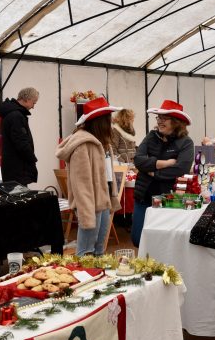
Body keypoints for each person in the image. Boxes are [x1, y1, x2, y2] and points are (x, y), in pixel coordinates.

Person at [56, 97, 123, 256]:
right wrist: (86, 211)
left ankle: (98, 277)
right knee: (86, 252)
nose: (111, 122)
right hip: (91, 204)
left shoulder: (102, 142)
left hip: (103, 199)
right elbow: (81, 183)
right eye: (108, 118)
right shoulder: (83, 145)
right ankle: (85, 277)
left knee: (99, 250)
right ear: (100, 121)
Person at [131, 100, 195, 245]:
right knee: (137, 239)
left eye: (164, 118)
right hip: (144, 197)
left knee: (163, 241)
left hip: (169, 200)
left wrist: (154, 172)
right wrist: (165, 163)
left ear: (176, 121)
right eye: (158, 118)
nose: (159, 121)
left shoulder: (186, 142)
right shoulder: (152, 136)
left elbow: (181, 168)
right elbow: (138, 160)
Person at [0, 87, 39, 185]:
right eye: (34, 103)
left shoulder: (11, 114)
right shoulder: (16, 116)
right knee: (20, 197)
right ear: (27, 99)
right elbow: (21, 142)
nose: (33, 107)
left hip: (12, 169)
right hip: (18, 171)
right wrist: (32, 158)